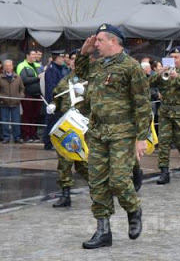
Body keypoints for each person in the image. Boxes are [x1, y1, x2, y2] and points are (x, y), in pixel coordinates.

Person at [74, 24, 152, 249]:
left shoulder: (131, 67)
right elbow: (80, 72)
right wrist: (84, 51)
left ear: (113, 41)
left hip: (123, 133)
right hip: (98, 132)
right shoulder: (97, 65)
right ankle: (103, 231)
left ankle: (134, 209)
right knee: (97, 182)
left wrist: (141, 137)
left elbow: (142, 104)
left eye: (99, 40)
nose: (95, 44)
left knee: (118, 181)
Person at [46, 71, 90, 208]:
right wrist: (53, 105)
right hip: (67, 125)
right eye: (73, 60)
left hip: (83, 126)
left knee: (82, 162)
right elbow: (56, 97)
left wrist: (85, 92)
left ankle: (101, 188)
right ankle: (65, 195)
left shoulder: (91, 79)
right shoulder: (64, 81)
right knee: (64, 160)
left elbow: (101, 100)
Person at [149, 46, 180, 184]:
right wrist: (159, 73)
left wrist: (177, 76)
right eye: (171, 57)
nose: (173, 60)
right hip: (165, 112)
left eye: (176, 57)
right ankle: (164, 172)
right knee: (164, 142)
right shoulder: (164, 70)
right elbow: (149, 83)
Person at [0, 59, 25, 144]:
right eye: (6, 66)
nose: (8, 67)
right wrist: (1, 97)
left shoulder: (18, 77)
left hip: (15, 103)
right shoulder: (0, 78)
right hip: (4, 103)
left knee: (16, 121)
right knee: (5, 121)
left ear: (12, 66)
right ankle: (6, 137)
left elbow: (22, 89)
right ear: (4, 67)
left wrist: (20, 97)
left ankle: (17, 137)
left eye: (9, 66)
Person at [42, 50, 69, 150]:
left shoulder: (58, 69)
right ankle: (48, 142)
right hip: (54, 101)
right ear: (57, 58)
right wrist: (53, 102)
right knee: (51, 122)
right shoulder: (52, 70)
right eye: (61, 58)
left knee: (56, 122)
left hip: (59, 100)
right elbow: (51, 87)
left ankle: (51, 141)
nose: (63, 59)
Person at [16, 50, 43, 142]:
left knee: (35, 116)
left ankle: (33, 134)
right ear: (27, 55)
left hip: (38, 94)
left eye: (36, 54)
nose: (35, 56)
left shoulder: (39, 66)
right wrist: (37, 78)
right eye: (32, 54)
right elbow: (23, 79)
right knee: (27, 115)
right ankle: (26, 135)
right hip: (28, 94)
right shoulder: (21, 65)